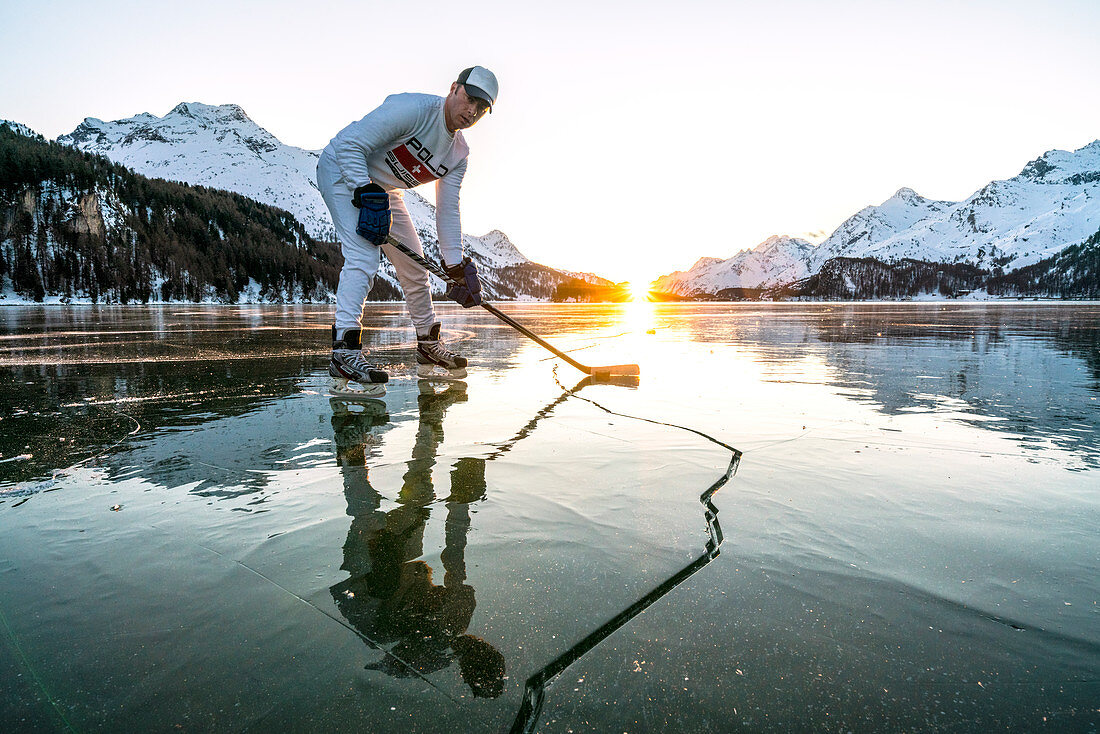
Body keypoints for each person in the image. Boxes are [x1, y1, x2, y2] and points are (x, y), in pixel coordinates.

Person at [317, 66, 498, 397]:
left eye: (481, 108)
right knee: (363, 256)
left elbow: (447, 209)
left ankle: (428, 344)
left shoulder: (459, 154)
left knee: (415, 268)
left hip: (384, 191)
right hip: (343, 173)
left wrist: (455, 264)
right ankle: (344, 352)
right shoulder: (413, 110)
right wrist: (364, 189)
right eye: (469, 99)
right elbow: (348, 145)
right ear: (454, 88)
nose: (472, 111)